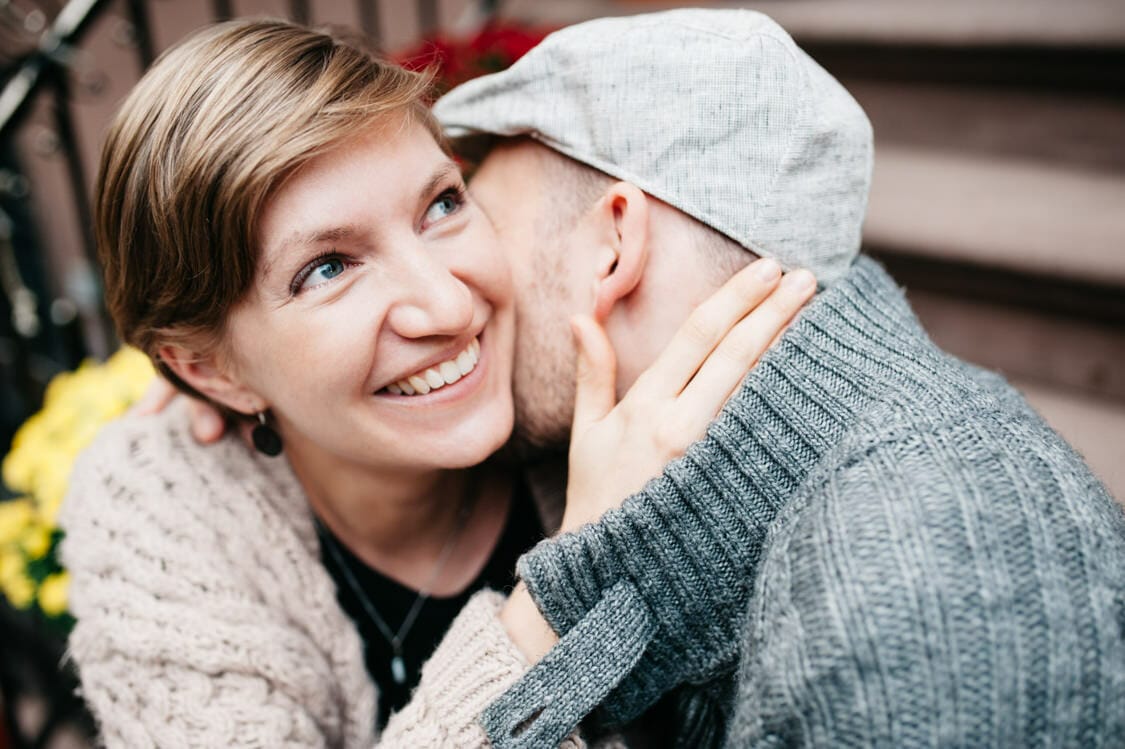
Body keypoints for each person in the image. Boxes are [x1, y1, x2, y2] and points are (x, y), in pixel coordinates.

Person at [58, 16, 814, 749]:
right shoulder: (161, 513)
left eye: (442, 204)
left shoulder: (596, 404)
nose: (450, 308)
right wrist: (568, 584)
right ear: (207, 368)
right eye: (327, 268)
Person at [421, 8, 1125, 748]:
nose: (458, 299)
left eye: (490, 231)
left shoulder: (917, 597)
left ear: (612, 248)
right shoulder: (830, 487)